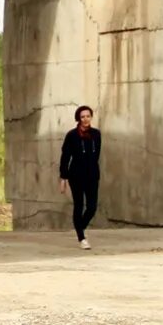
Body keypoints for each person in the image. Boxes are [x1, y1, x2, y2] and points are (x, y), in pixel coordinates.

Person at [57, 105, 102, 248]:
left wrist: (94, 171)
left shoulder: (96, 134)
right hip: (76, 176)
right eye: (82, 117)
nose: (85, 119)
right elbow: (65, 157)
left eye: (88, 116)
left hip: (92, 175)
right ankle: (82, 238)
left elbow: (96, 155)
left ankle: (79, 228)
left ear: (91, 117)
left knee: (92, 207)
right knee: (78, 205)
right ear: (78, 118)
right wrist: (63, 178)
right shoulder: (72, 135)